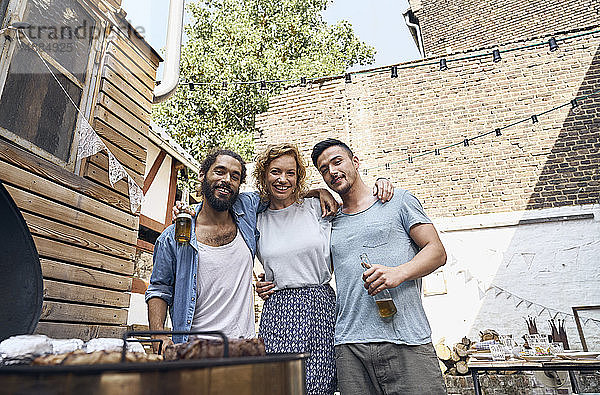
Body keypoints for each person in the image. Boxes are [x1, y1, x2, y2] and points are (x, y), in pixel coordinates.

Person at [147, 148, 338, 353]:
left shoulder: (246, 211)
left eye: (235, 176)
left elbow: (282, 192)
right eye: (219, 171)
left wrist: (319, 192)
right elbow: (159, 289)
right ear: (202, 174)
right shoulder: (173, 237)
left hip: (243, 348)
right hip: (193, 349)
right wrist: (160, 338)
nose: (227, 180)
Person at [310, 138, 448, 395]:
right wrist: (315, 192)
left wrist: (398, 273)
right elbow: (281, 199)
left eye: (337, 162)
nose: (332, 171)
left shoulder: (398, 201)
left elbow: (437, 252)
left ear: (356, 162)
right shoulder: (329, 220)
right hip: (350, 346)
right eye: (324, 169)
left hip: (407, 339)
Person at [254, 143, 393, 395]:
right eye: (275, 172)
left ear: (299, 177)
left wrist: (382, 182)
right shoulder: (255, 219)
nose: (283, 179)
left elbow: (357, 205)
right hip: (278, 309)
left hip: (320, 306)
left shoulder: (318, 207)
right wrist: (257, 283)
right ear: (264, 175)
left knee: (321, 385)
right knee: (279, 385)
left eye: (291, 173)